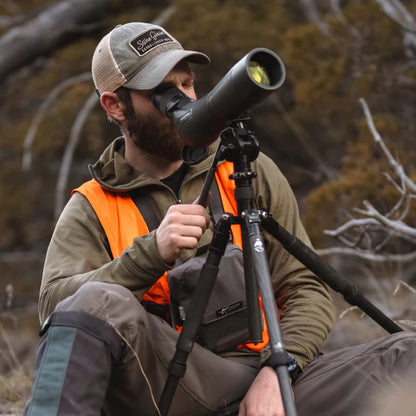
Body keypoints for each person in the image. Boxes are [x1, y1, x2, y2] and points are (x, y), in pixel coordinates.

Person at [23, 22, 416, 416]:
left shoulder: (247, 170)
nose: (183, 98)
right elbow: (59, 310)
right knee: (94, 302)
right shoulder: (93, 205)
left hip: (272, 382)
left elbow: (307, 290)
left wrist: (279, 373)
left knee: (407, 353)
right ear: (115, 105)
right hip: (173, 389)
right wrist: (149, 254)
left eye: (187, 84)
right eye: (162, 91)